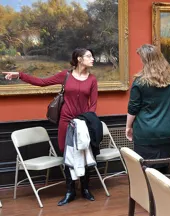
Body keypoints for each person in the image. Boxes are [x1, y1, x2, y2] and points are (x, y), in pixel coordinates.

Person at [2, 48, 98, 206]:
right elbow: (42, 82)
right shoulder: (65, 75)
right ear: (79, 59)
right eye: (89, 56)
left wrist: (85, 120)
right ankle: (70, 191)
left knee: (84, 153)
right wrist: (20, 75)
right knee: (66, 155)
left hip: (82, 123)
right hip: (66, 122)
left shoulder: (92, 79)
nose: (92, 59)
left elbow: (93, 105)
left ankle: (86, 189)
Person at [125, 44, 170, 174]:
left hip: (145, 131)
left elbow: (133, 108)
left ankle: (150, 195)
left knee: (147, 173)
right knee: (164, 174)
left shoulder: (140, 82)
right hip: (167, 131)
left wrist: (128, 127)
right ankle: (164, 195)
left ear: (146, 61)